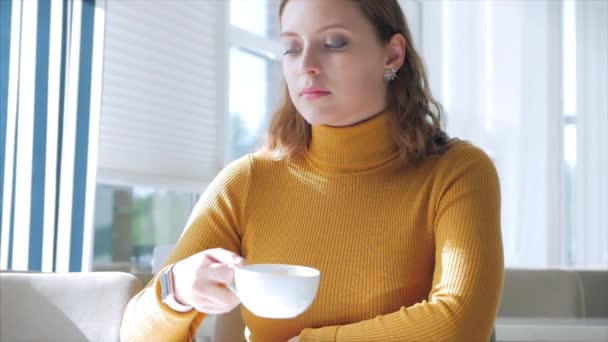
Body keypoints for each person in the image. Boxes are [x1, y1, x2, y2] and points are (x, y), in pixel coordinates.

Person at [120, 0, 504, 341]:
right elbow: (134, 334)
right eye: (291, 47)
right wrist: (178, 290)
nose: (307, 66)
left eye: (334, 43)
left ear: (392, 55)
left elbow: (459, 325)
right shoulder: (248, 181)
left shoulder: (457, 172)